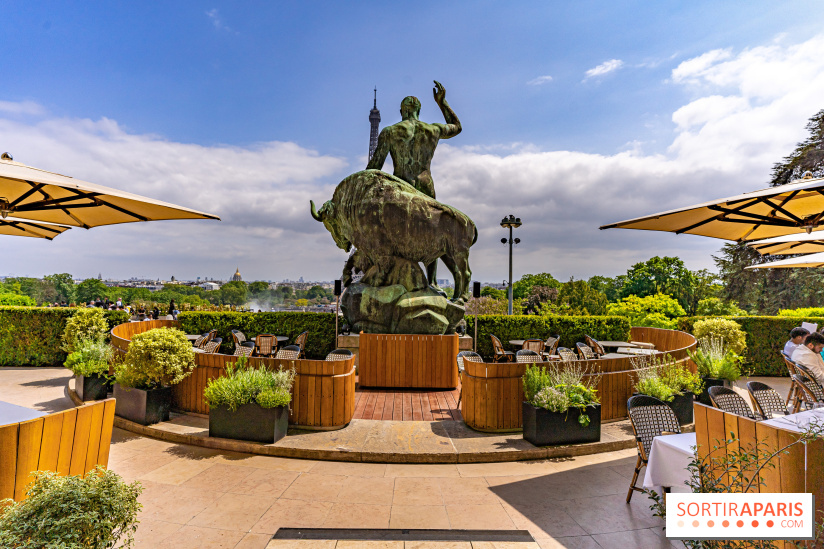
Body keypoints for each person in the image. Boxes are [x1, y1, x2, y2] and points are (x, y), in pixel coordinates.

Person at [366, 80, 461, 289]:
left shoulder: (390, 132)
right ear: (419, 110)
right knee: (431, 232)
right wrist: (442, 102)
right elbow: (457, 127)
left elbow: (374, 168)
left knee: (392, 232)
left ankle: (392, 277)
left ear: (401, 111)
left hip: (400, 188)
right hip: (427, 186)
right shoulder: (432, 130)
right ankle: (433, 281)